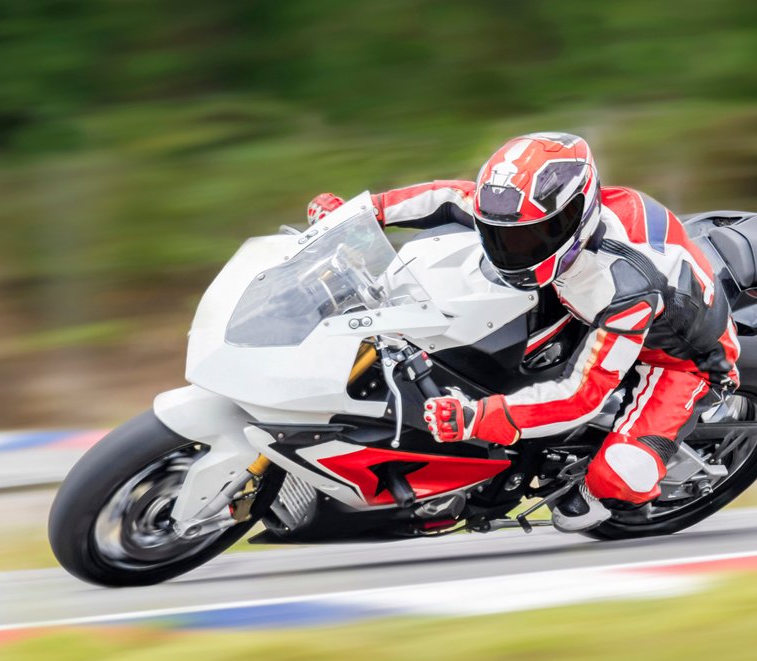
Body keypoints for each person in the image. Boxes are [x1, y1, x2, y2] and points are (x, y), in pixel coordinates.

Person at [306, 132, 739, 532]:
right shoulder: (540, 213)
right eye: (498, 236)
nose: (509, 250)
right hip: (586, 294)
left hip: (678, 359)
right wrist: (357, 214)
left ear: (575, 218)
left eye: (527, 239)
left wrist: (477, 417)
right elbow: (448, 196)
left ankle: (627, 490)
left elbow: (578, 396)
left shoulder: (623, 287)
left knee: (618, 478)